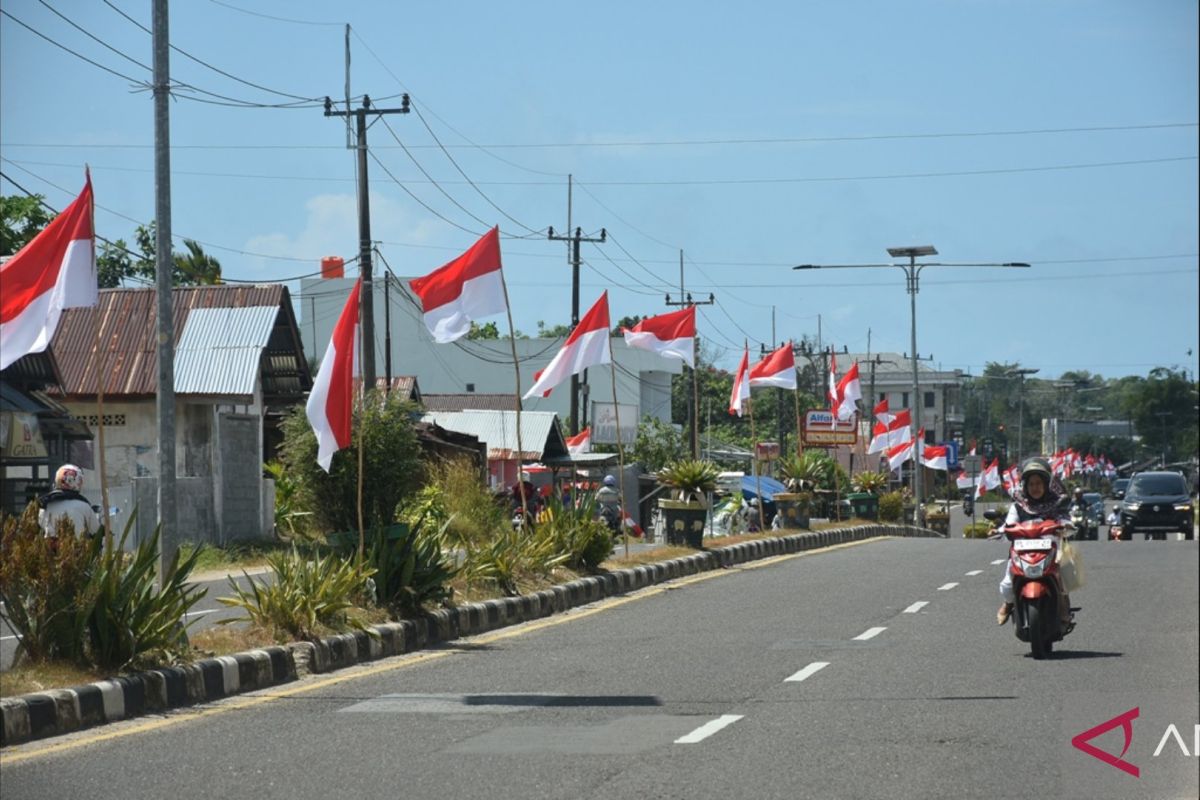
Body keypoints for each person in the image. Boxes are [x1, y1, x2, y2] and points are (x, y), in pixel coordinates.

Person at [997, 457, 1069, 625]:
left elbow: (1065, 519)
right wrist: (1000, 530)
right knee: (1007, 583)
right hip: (1021, 552)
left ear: (1045, 485)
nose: (1035, 488)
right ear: (1025, 486)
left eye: (1038, 483)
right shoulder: (1018, 506)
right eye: (1031, 484)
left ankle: (1063, 604)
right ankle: (1008, 604)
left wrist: (1066, 526)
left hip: (1050, 551)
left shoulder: (1056, 504)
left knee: (1064, 574)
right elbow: (1008, 524)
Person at [37, 463, 101, 539]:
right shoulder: (83, 505)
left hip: (51, 548)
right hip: (77, 548)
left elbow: (41, 526)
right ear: (76, 482)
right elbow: (96, 531)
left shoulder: (45, 504)